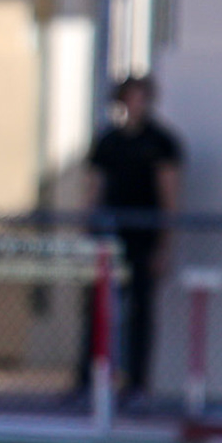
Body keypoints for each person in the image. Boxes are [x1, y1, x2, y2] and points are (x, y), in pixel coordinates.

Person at [85, 75, 183, 406]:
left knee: (140, 309)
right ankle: (89, 380)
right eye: (130, 97)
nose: (136, 104)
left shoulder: (161, 142)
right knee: (98, 307)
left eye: (142, 97)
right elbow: (93, 189)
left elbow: (169, 196)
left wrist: (163, 246)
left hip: (143, 238)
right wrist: (87, 232)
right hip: (110, 237)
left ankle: (136, 383)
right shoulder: (108, 142)